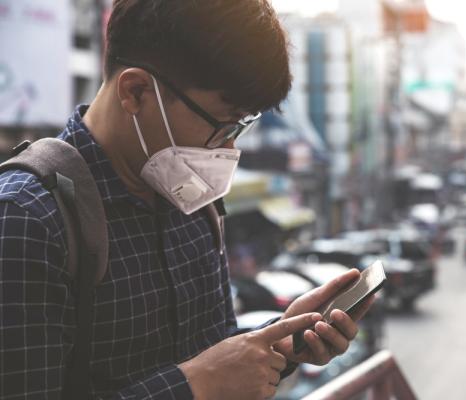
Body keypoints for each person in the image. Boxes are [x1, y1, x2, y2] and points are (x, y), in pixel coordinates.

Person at [0, 0, 374, 399]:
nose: (228, 148)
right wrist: (194, 385)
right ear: (136, 91)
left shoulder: (192, 198)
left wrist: (279, 341)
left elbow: (211, 350)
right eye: (221, 125)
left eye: (241, 127)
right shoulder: (29, 217)